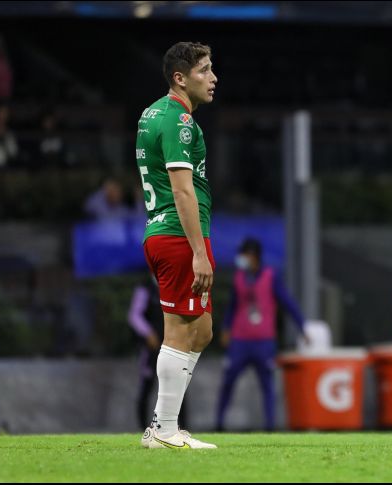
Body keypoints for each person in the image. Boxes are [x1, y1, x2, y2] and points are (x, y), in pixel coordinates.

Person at [137, 41, 218, 449]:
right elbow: (183, 190)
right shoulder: (179, 122)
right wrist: (199, 253)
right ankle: (164, 429)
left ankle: (163, 426)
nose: (213, 78)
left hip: (167, 232)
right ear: (180, 78)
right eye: (204, 70)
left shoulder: (151, 113)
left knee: (201, 330)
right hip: (179, 235)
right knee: (178, 331)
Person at [215, 238, 309, 432]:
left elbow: (287, 302)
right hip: (240, 340)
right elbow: (233, 306)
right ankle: (219, 424)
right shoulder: (239, 277)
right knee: (228, 381)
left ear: (253, 256)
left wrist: (302, 327)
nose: (241, 258)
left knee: (267, 385)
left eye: (244, 254)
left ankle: (269, 427)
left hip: (264, 341)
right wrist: (226, 328)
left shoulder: (270, 276)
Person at [128, 275, 189, 431]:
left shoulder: (174, 286)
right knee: (147, 386)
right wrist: (148, 333)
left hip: (172, 346)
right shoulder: (145, 288)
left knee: (178, 387)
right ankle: (143, 429)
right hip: (152, 348)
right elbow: (135, 316)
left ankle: (180, 428)